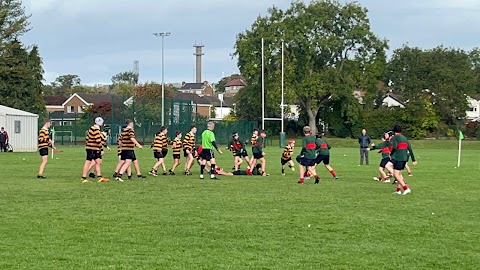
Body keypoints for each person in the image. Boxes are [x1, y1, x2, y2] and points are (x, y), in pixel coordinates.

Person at [390, 124, 417, 195]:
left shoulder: (395, 137)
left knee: (396, 174)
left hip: (399, 157)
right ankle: (398, 190)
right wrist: (413, 160)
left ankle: (406, 188)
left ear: (394, 131)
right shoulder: (404, 138)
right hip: (405, 158)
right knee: (399, 174)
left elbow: (395, 147)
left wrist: (391, 153)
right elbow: (410, 149)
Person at [81, 117, 109, 183]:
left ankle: (99, 177)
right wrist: (101, 149)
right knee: (88, 162)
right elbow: (98, 140)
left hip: (92, 147)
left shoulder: (92, 129)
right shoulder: (96, 129)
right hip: (92, 148)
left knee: (97, 162)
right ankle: (83, 177)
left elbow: (87, 138)